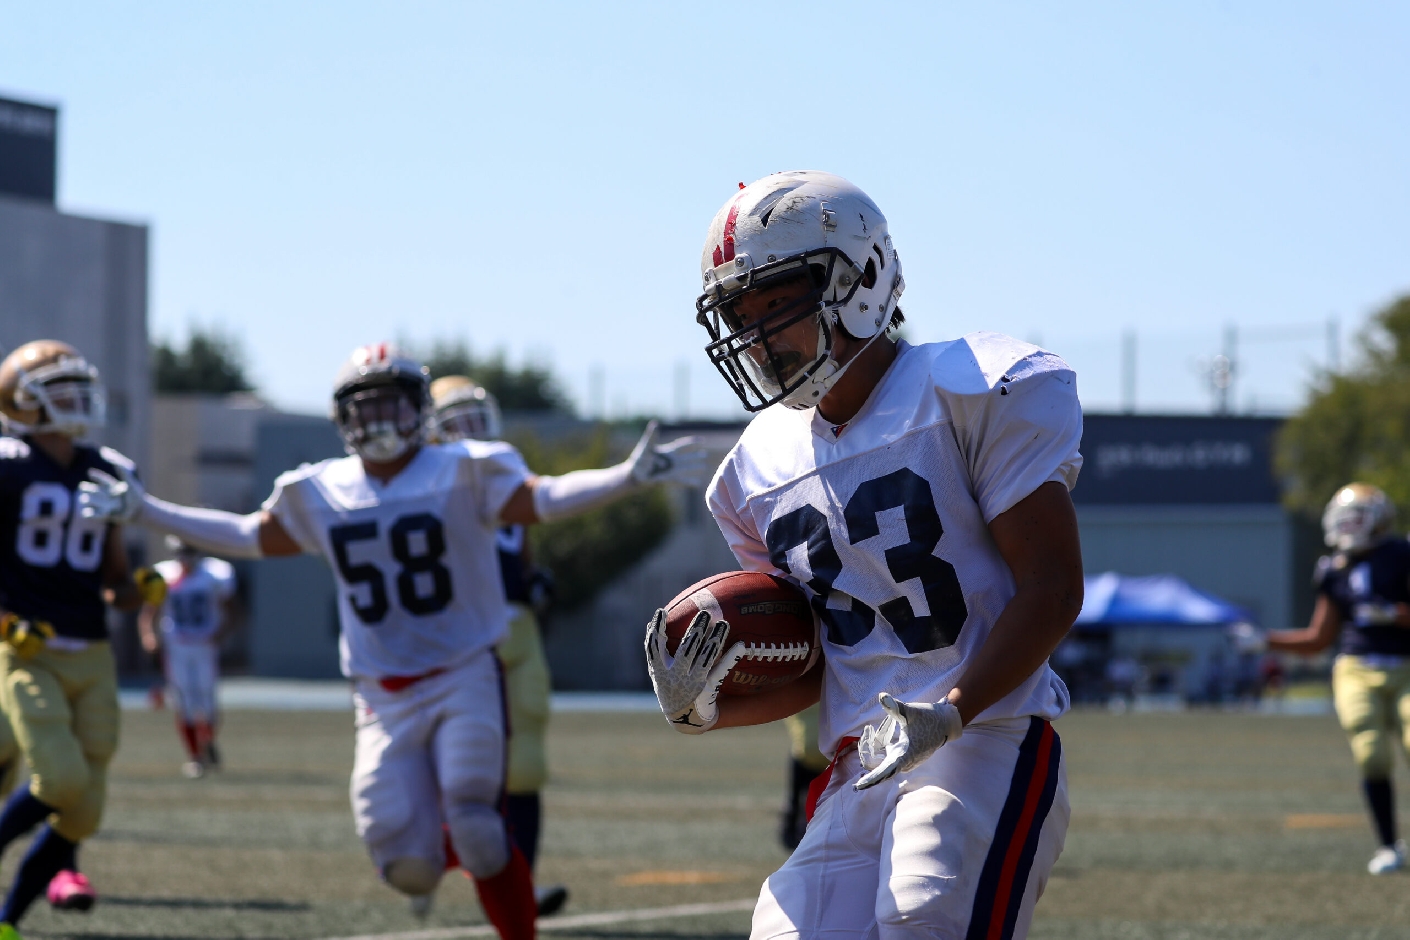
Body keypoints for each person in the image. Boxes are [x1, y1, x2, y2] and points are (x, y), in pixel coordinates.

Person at [80, 343, 706, 936]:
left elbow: (542, 499)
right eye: (365, 404)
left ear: (419, 408)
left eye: (392, 401)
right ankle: (429, 861)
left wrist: (626, 476)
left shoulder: (464, 468)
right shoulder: (321, 489)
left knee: (478, 822)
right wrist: (147, 510)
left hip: (465, 672)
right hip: (382, 694)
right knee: (402, 859)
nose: (379, 417)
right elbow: (247, 535)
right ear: (343, 417)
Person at [644, 171, 1084, 939]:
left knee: (925, 916)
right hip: (861, 763)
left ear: (861, 279)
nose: (757, 334)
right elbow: (821, 664)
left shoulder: (972, 388)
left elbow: (1051, 588)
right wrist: (708, 707)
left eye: (775, 301)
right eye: (737, 312)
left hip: (986, 733)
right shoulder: (754, 470)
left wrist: (949, 712)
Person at [0, 340, 168, 939]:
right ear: (22, 401)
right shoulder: (7, 464)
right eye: (59, 389)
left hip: (91, 649)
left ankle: (7, 924)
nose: (76, 400)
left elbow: (114, 581)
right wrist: (6, 624)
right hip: (28, 649)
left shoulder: (106, 469)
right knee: (60, 780)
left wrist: (140, 590)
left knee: (85, 808)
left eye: (78, 388)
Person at [428, 376, 565, 916]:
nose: (470, 430)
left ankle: (521, 885)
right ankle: (457, 860)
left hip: (517, 631)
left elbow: (521, 554)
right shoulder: (428, 488)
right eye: (454, 419)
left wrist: (533, 582)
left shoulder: (510, 479)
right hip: (465, 635)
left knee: (524, 764)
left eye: (474, 417)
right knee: (465, 763)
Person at [1255, 483, 1410, 874]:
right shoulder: (1333, 569)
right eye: (1346, 517)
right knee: (1371, 752)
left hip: (1406, 662)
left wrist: (1396, 615)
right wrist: (1265, 641)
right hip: (1356, 666)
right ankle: (1389, 846)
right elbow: (1318, 639)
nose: (1350, 524)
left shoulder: (1402, 555)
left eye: (1358, 516)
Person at [139, 536, 237, 778]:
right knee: (183, 701)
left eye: (189, 552)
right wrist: (149, 636)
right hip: (177, 647)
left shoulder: (215, 574)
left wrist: (221, 634)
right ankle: (196, 756)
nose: (185, 559)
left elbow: (233, 609)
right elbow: (150, 611)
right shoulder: (164, 574)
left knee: (207, 700)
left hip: (204, 644)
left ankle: (207, 740)